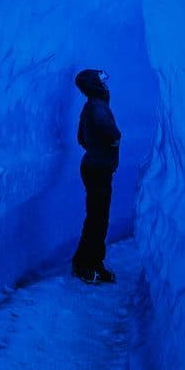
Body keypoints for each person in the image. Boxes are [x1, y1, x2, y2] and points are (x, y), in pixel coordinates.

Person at [72, 68, 120, 283]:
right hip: (98, 168)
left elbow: (81, 138)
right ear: (94, 84)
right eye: (101, 80)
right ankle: (84, 265)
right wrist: (114, 139)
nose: (105, 83)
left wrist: (97, 147)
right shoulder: (98, 106)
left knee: (97, 218)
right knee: (97, 220)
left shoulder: (90, 106)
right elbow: (108, 130)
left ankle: (93, 263)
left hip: (93, 165)